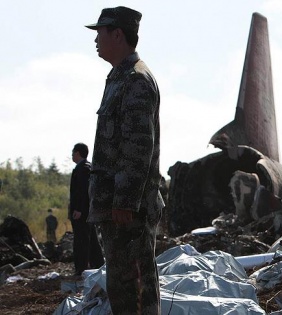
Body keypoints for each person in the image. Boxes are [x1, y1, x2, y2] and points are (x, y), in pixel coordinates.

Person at [85, 6, 164, 314]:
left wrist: (125, 201)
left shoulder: (136, 80)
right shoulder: (119, 77)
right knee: (122, 288)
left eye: (100, 32)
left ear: (117, 34)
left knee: (135, 289)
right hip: (116, 208)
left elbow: (138, 147)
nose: (95, 39)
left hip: (128, 211)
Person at [69, 143, 104, 276]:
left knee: (81, 240)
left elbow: (83, 192)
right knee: (92, 239)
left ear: (78, 153)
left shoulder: (83, 169)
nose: (72, 155)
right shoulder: (86, 168)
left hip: (81, 212)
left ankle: (81, 268)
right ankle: (98, 264)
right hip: (87, 212)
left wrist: (79, 209)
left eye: (73, 153)